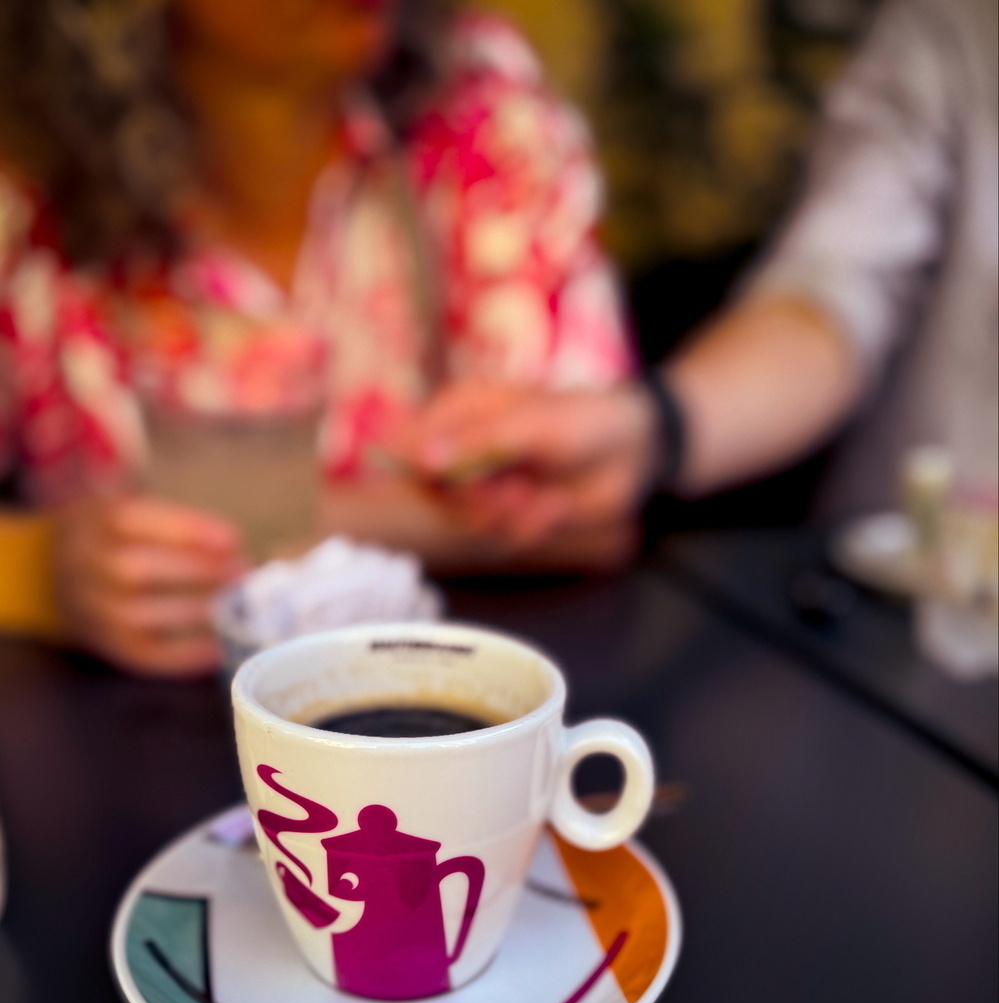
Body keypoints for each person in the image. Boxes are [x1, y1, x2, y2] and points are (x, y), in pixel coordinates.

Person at [0, 0, 633, 675]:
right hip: (113, 737)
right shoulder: (24, 169)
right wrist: (36, 572)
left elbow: (585, 503)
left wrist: (263, 530)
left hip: (410, 709)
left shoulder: (467, 90)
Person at [401, 0, 997, 551]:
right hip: (907, 604)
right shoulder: (961, 25)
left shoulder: (486, 99)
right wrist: (649, 427)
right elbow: (838, 286)